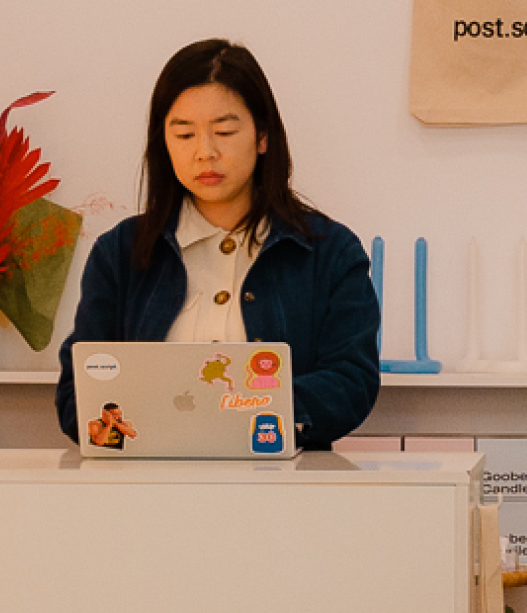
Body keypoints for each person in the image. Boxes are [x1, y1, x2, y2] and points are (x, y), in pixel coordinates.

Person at [57, 39, 380, 450]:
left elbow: (352, 381)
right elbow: (76, 394)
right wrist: (124, 432)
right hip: (144, 490)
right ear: (164, 143)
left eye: (225, 132)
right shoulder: (120, 252)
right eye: (184, 134)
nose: (205, 153)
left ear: (262, 137)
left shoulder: (328, 252)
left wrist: (249, 416)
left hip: (282, 492)